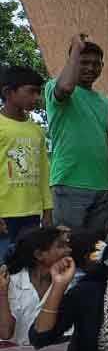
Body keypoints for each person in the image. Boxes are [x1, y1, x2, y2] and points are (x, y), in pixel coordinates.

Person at [45, 35, 108, 233]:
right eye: (83, 62)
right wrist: (76, 47)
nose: (91, 68)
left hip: (104, 186)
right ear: (72, 62)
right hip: (69, 182)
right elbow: (66, 87)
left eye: (96, 63)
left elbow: (104, 142)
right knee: (68, 246)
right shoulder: (54, 86)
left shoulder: (105, 102)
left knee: (96, 251)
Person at [0, 228, 71, 351]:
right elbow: (5, 333)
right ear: (39, 255)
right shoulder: (9, 281)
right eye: (61, 246)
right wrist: (2, 294)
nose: (68, 250)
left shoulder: (68, 281)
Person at [0, 65, 53, 258]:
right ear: (8, 92)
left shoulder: (36, 130)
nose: (37, 97)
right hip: (5, 216)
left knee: (25, 266)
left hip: (32, 214)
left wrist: (47, 210)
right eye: (31, 91)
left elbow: (44, 173)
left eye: (39, 92)